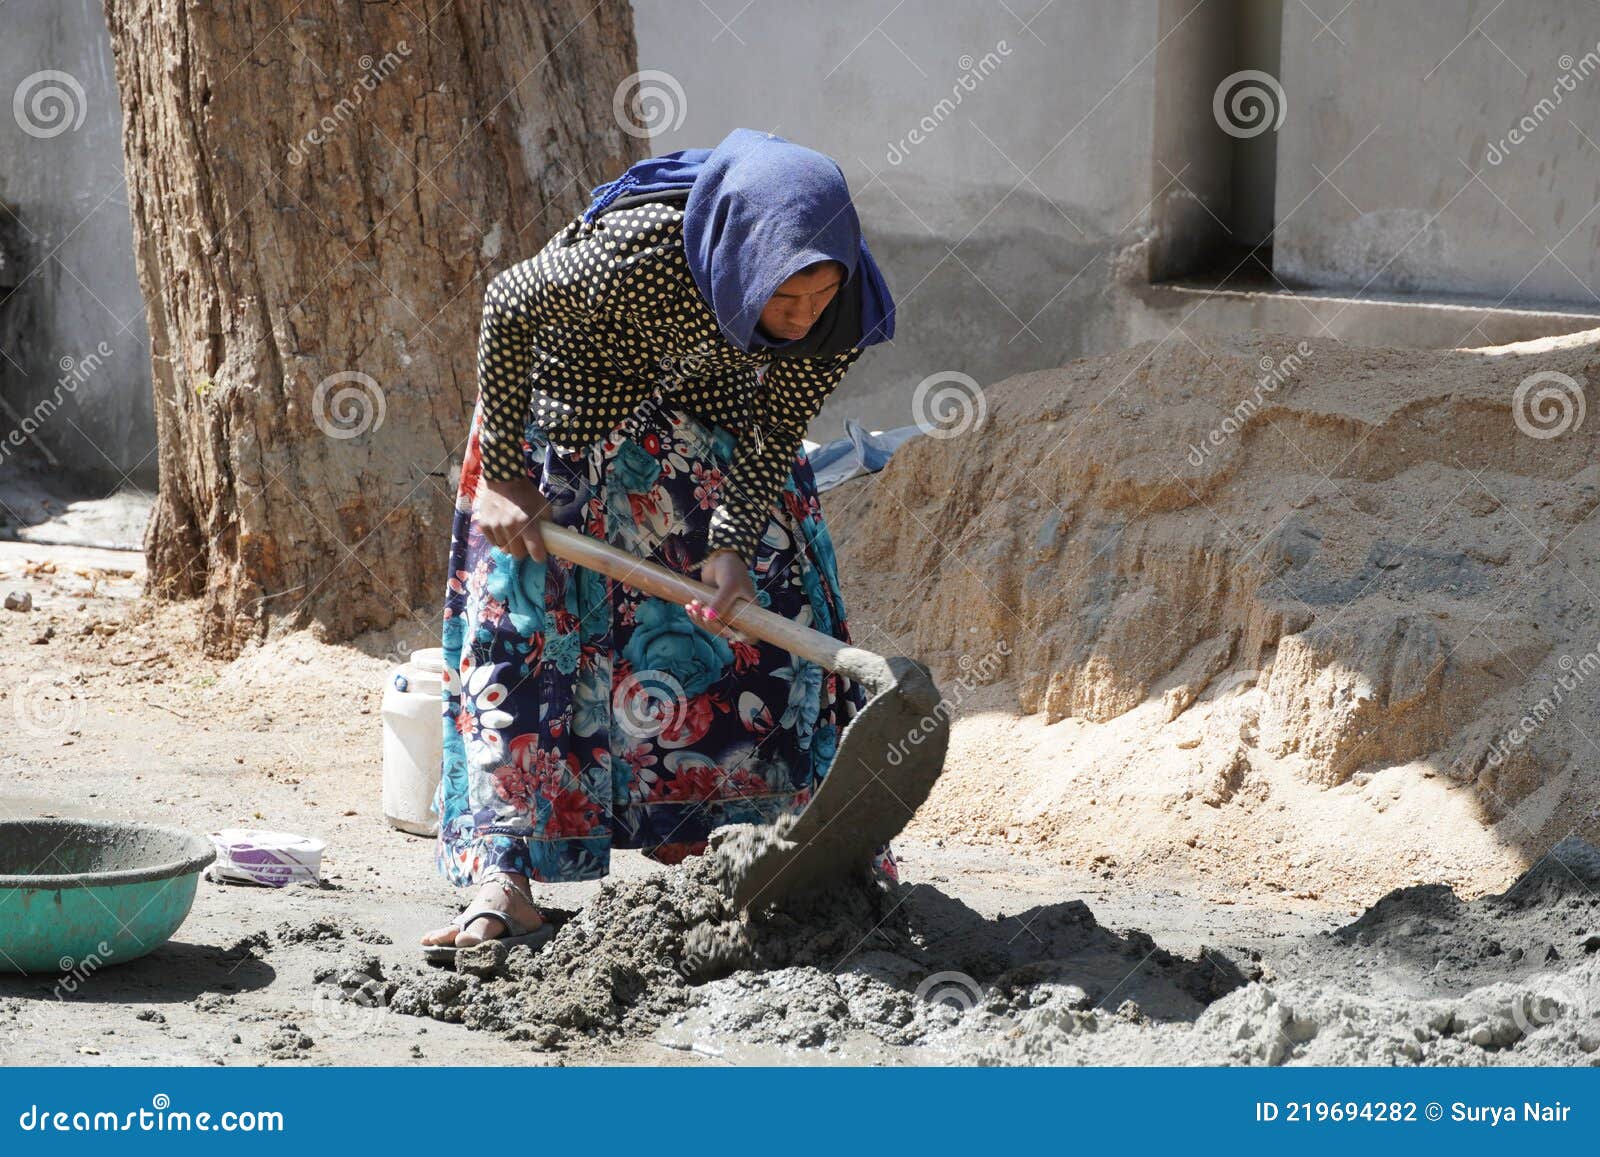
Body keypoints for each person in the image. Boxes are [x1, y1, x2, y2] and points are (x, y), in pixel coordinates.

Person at [421, 128, 897, 950]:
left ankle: (781, 862)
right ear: (737, 256)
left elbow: (775, 423)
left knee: (769, 635)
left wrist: (733, 543)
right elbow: (506, 303)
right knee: (528, 645)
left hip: (708, 433)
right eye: (784, 300)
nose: (800, 320)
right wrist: (504, 473)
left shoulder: (840, 307)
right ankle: (505, 878)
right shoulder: (637, 252)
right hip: (568, 422)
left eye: (817, 298)